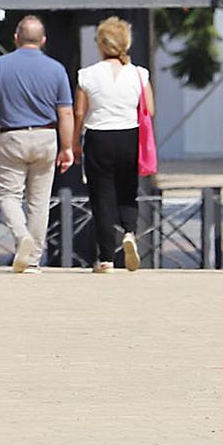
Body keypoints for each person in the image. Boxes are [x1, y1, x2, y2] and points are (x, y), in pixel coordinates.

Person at [0, 15, 75, 274]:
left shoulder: (0, 65)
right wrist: (68, 147)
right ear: (43, 40)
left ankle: (22, 236)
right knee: (39, 202)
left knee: (9, 195)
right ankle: (33, 261)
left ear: (16, 38)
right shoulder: (56, 69)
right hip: (46, 137)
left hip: (12, 136)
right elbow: (66, 113)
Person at [74, 16, 154, 274]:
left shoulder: (86, 75)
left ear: (100, 44)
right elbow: (149, 110)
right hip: (129, 135)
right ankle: (129, 232)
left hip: (98, 137)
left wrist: (74, 141)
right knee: (128, 189)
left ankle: (106, 258)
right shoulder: (139, 74)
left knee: (102, 197)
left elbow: (78, 112)